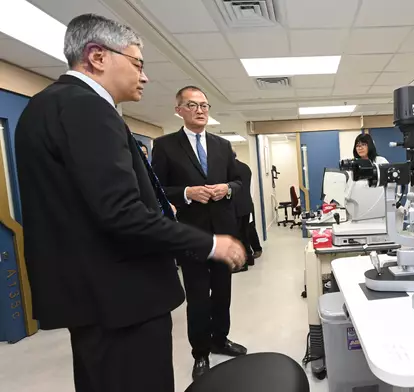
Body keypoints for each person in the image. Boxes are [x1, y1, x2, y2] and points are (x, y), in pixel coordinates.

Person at [13, 14, 245, 392]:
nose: (145, 75)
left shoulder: (44, 106)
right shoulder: (87, 109)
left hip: (91, 295)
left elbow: (88, 203)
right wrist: (211, 243)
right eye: (138, 63)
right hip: (122, 297)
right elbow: (120, 213)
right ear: (98, 56)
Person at [151, 86, 247, 380]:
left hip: (224, 232)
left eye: (204, 105)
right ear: (179, 109)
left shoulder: (221, 145)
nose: (201, 110)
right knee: (198, 296)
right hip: (191, 235)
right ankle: (201, 352)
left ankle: (220, 338)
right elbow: (158, 190)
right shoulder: (165, 146)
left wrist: (227, 189)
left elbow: (239, 181)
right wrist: (188, 193)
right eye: (192, 105)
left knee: (222, 293)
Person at [232, 153, 256, 267]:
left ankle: (243, 263)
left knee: (238, 235)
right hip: (246, 204)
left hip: (235, 207)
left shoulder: (229, 169)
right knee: (245, 233)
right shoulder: (245, 167)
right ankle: (249, 257)